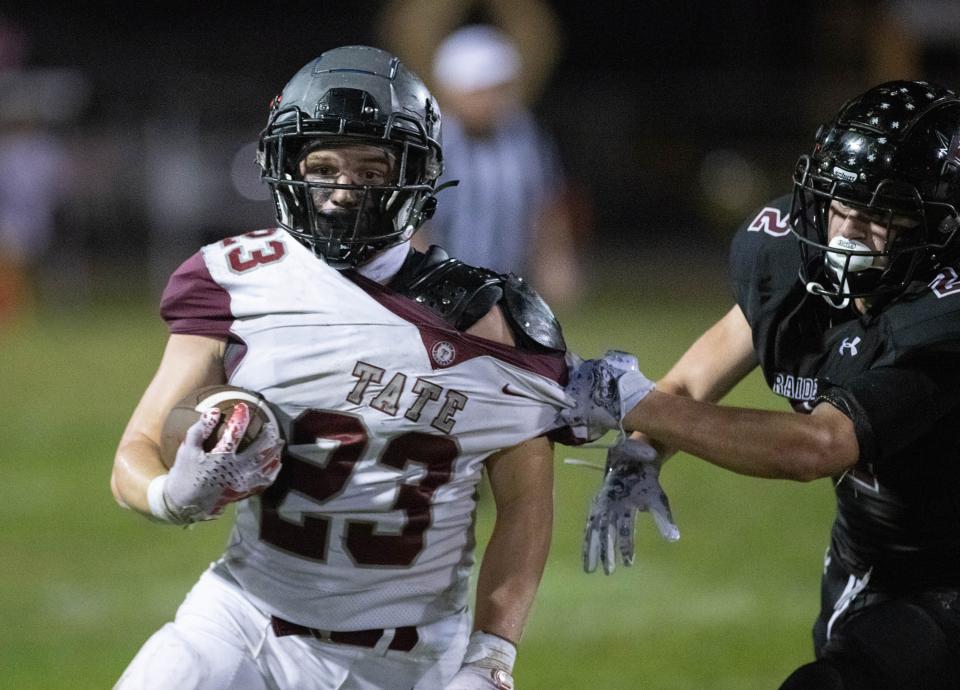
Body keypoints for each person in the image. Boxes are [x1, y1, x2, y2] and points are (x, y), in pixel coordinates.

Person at [111, 45, 573, 690]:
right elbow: (135, 448)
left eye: (371, 166)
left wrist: (492, 658)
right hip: (243, 620)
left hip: (410, 657)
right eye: (321, 164)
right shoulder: (233, 282)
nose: (342, 187)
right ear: (285, 166)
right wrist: (171, 494)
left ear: (415, 172)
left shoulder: (486, 318)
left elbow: (526, 507)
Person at [561, 80, 960, 689]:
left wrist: (628, 396)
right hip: (874, 559)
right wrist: (643, 445)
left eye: (884, 218)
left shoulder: (945, 314)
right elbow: (693, 383)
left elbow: (816, 447)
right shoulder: (794, 261)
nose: (849, 237)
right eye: (842, 209)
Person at [421, 24, 581, 307]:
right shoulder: (430, 142)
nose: (491, 101)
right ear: (452, 90)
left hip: (509, 284)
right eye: (480, 91)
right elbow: (411, 222)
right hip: (442, 283)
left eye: (498, 89)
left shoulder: (523, 135)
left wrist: (556, 260)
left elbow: (544, 204)